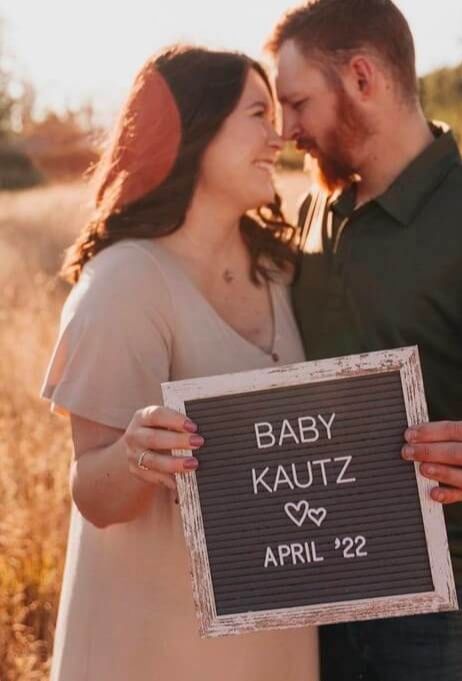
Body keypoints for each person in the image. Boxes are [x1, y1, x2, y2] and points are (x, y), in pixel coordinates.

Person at [267, 1, 462, 679]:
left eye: (297, 103)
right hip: (325, 580)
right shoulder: (310, 212)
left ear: (362, 78)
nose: (287, 128)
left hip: (456, 598)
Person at [40, 44, 318, 681]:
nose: (279, 137)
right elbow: (93, 492)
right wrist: (138, 452)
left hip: (274, 646)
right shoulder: (125, 282)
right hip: (156, 654)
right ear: (194, 130)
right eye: (257, 113)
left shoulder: (278, 271)